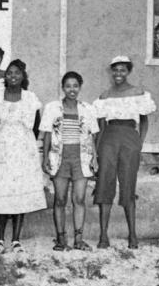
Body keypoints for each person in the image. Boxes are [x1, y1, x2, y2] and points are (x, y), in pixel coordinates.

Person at [93, 56, 156, 249]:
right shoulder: (105, 96)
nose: (118, 74)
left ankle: (133, 236)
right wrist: (97, 150)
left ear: (128, 71)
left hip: (130, 137)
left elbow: (144, 120)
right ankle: (103, 236)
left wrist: (140, 142)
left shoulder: (138, 93)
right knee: (105, 183)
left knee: (128, 183)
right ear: (111, 72)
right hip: (109, 139)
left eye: (122, 70)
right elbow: (100, 125)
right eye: (115, 70)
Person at [0, 59, 46, 253]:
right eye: (10, 73)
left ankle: (16, 239)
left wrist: (27, 145)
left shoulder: (30, 97)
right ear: (6, 76)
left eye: (17, 73)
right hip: (1, 147)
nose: (13, 76)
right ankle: (0, 238)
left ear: (23, 76)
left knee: (20, 190)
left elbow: (36, 125)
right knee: (1, 190)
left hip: (22, 149)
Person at [41, 71, 99, 251]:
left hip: (81, 157)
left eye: (75, 86)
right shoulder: (52, 108)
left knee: (79, 199)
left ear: (80, 87)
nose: (71, 89)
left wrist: (95, 158)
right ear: (63, 88)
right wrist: (45, 159)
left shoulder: (87, 109)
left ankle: (79, 240)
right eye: (68, 86)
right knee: (60, 199)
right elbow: (48, 135)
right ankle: (61, 240)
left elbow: (92, 136)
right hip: (60, 157)